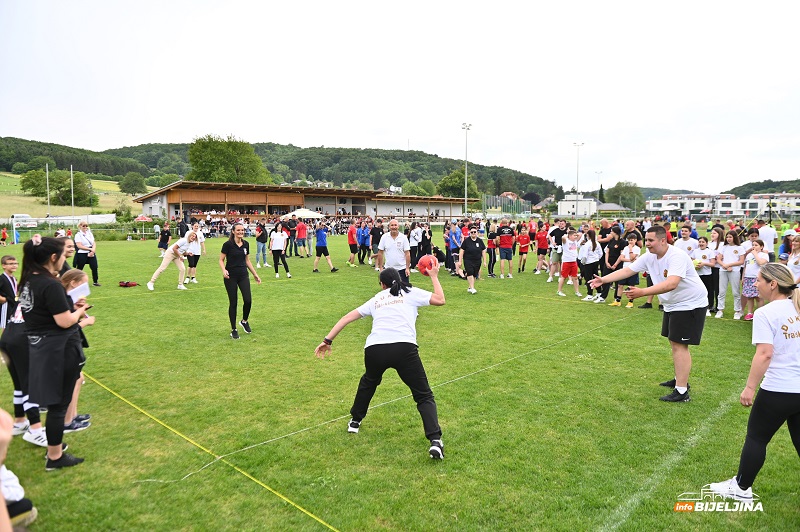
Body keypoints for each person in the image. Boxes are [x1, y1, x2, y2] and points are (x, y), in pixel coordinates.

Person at [314, 265, 446, 459]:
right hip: (403, 348)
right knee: (423, 394)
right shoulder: (410, 292)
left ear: (382, 284)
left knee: (369, 382)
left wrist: (327, 340)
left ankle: (355, 422)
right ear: (399, 280)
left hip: (375, 349)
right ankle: (435, 441)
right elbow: (440, 300)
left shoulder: (377, 298)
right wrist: (434, 276)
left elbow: (347, 318)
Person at [708, 263, 800, 502]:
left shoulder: (765, 313)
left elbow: (764, 354)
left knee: (757, 437)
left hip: (779, 389)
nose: (754, 284)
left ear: (773, 284)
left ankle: (741, 488)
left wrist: (750, 387)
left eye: (759, 280)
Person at [589, 226, 708, 402]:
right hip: (673, 304)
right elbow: (628, 270)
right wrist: (604, 279)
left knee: (680, 345)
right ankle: (680, 380)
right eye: (646, 240)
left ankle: (682, 391)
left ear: (662, 240)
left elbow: (671, 283)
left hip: (690, 304)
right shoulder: (649, 256)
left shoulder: (676, 256)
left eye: (651, 241)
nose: (647, 244)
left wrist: (642, 292)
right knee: (674, 342)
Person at [18, 236, 88, 469]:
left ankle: (54, 452)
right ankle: (55, 457)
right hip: (58, 350)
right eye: (63, 254)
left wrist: (70, 307)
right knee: (59, 406)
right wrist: (80, 312)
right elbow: (65, 321)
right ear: (53, 257)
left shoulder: (28, 280)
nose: (65, 259)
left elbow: (44, 312)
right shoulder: (50, 284)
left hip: (39, 347)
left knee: (54, 403)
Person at [220, 223, 261, 339]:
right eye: (238, 230)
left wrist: (255, 274)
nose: (240, 232)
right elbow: (221, 260)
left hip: (243, 275)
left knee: (248, 300)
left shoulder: (246, 244)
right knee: (233, 303)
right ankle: (234, 329)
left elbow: (247, 260)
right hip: (230, 277)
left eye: (242, 230)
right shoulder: (227, 245)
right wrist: (224, 270)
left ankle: (244, 321)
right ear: (233, 231)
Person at [716, 230, 745, 319]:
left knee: (735, 292)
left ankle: (737, 311)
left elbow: (741, 261)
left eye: (730, 237)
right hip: (723, 270)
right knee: (721, 291)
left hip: (734, 271)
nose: (728, 239)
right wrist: (724, 265)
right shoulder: (723, 247)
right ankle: (720, 310)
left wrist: (729, 265)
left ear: (734, 238)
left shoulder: (740, 248)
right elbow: (719, 259)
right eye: (727, 237)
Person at [741, 239, 769, 321]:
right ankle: (750, 313)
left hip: (758, 278)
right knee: (749, 296)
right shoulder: (749, 255)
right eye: (753, 245)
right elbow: (746, 266)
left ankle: (760, 313)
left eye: (756, 245)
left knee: (758, 297)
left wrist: (755, 254)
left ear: (762, 247)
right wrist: (743, 277)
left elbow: (760, 263)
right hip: (748, 277)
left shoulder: (764, 255)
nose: (754, 247)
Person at [378, 220, 411, 284]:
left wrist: (407, 268)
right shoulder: (384, 237)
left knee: (404, 291)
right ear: (389, 227)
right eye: (392, 225)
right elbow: (380, 253)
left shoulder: (403, 238)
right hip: (389, 269)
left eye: (395, 225)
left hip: (402, 269)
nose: (394, 227)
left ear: (398, 226)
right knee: (390, 291)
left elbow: (407, 254)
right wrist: (381, 267)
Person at [690, 236, 717, 317]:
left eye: (703, 242)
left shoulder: (710, 252)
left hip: (707, 275)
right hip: (697, 275)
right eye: (700, 242)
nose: (701, 243)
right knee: (696, 291)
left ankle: (708, 308)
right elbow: (692, 261)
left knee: (708, 291)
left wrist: (704, 264)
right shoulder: (695, 251)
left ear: (706, 243)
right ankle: (696, 306)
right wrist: (695, 266)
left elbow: (713, 264)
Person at [458, 227, 486, 294]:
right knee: (470, 272)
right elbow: (461, 251)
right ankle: (473, 288)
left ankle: (470, 287)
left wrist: (484, 261)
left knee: (474, 274)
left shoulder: (480, 241)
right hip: (468, 260)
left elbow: (483, 250)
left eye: (474, 232)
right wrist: (460, 261)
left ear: (477, 233)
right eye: (472, 232)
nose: (473, 233)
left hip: (477, 260)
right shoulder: (466, 241)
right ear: (470, 233)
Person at [556, 230, 582, 297]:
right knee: (563, 277)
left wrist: (575, 235)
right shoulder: (566, 241)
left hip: (573, 261)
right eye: (574, 235)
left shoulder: (575, 241)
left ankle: (577, 291)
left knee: (575, 277)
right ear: (570, 236)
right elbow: (563, 238)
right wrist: (567, 235)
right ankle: (559, 291)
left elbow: (580, 234)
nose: (575, 237)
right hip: (566, 261)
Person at [579, 230, 603, 301]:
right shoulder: (597, 243)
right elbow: (601, 253)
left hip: (588, 263)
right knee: (595, 277)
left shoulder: (587, 244)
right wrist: (596, 258)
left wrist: (583, 263)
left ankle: (590, 294)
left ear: (588, 235)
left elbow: (585, 255)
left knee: (588, 279)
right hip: (595, 262)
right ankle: (599, 292)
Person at [73, 221, 100, 286]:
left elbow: (93, 242)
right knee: (80, 268)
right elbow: (79, 245)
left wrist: (93, 250)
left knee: (94, 267)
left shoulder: (89, 233)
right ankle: (76, 282)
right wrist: (90, 249)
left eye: (86, 226)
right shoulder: (78, 235)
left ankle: (95, 282)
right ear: (80, 226)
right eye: (83, 226)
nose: (85, 227)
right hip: (82, 253)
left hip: (91, 252)